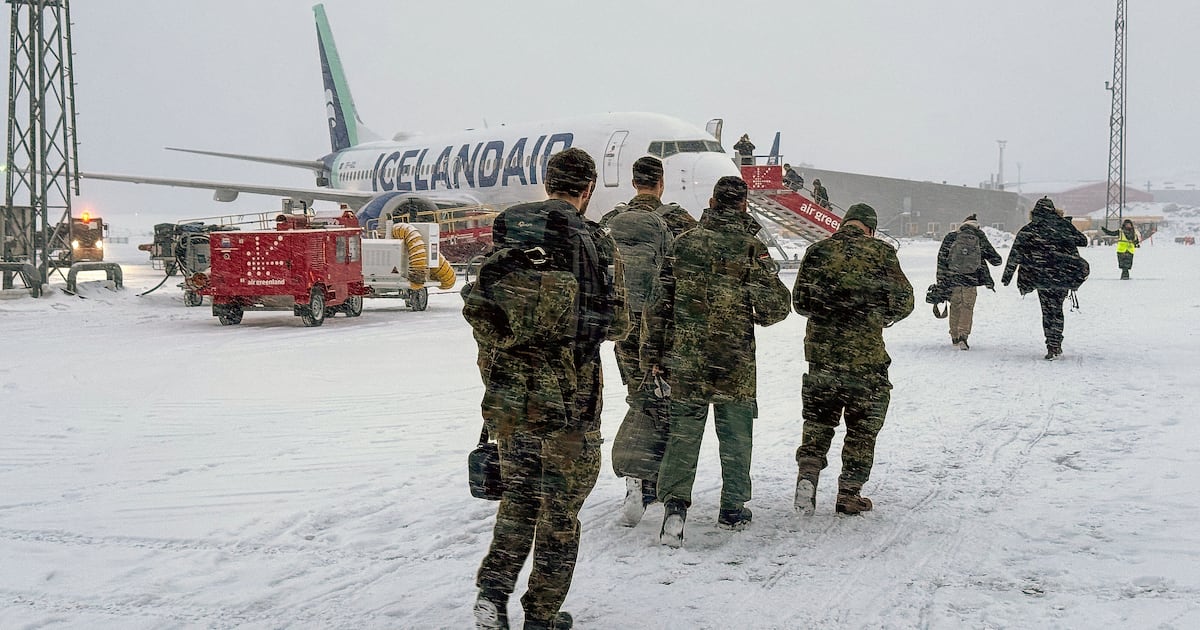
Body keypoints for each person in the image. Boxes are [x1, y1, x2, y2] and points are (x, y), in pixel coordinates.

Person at [472, 148, 626, 630]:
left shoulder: (510, 230)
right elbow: (618, 324)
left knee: (519, 498)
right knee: (560, 512)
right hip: (571, 398)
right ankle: (540, 615)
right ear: (589, 188)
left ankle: (492, 594)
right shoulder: (596, 241)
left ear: (546, 181)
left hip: (513, 391)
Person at [641, 176, 791, 547]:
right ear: (743, 205)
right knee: (736, 435)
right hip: (734, 362)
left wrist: (654, 354)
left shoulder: (684, 243)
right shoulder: (751, 248)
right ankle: (732, 508)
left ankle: (675, 510)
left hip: (686, 359)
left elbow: (658, 304)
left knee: (683, 435)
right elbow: (775, 308)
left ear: (711, 202)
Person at [792, 203, 914, 515]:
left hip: (823, 357)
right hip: (865, 359)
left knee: (818, 421)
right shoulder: (882, 253)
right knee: (862, 427)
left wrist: (827, 311)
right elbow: (904, 302)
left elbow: (800, 302)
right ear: (870, 229)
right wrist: (879, 315)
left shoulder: (817, 251)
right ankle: (849, 493)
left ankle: (808, 473)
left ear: (844, 224)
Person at [600, 156, 674, 527]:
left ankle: (639, 478)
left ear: (633, 183)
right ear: (661, 183)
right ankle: (647, 478)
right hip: (659, 328)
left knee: (639, 394)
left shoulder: (611, 221)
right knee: (664, 402)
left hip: (623, 326)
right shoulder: (675, 221)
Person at [1001, 196, 1089, 360]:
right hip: (1062, 275)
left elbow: (1016, 253)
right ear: (1054, 211)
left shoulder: (1029, 229)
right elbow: (1083, 241)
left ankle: (1052, 345)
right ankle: (1056, 342)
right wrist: (1065, 232)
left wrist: (1007, 275)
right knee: (1057, 309)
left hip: (1040, 276)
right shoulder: (1063, 226)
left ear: (1035, 212)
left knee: (1047, 311)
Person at [936, 213, 1003, 349]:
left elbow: (941, 259)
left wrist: (941, 279)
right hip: (971, 279)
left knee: (955, 305)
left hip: (953, 278)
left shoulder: (951, 237)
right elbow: (996, 260)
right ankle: (963, 335)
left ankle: (954, 335)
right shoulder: (979, 237)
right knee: (967, 307)